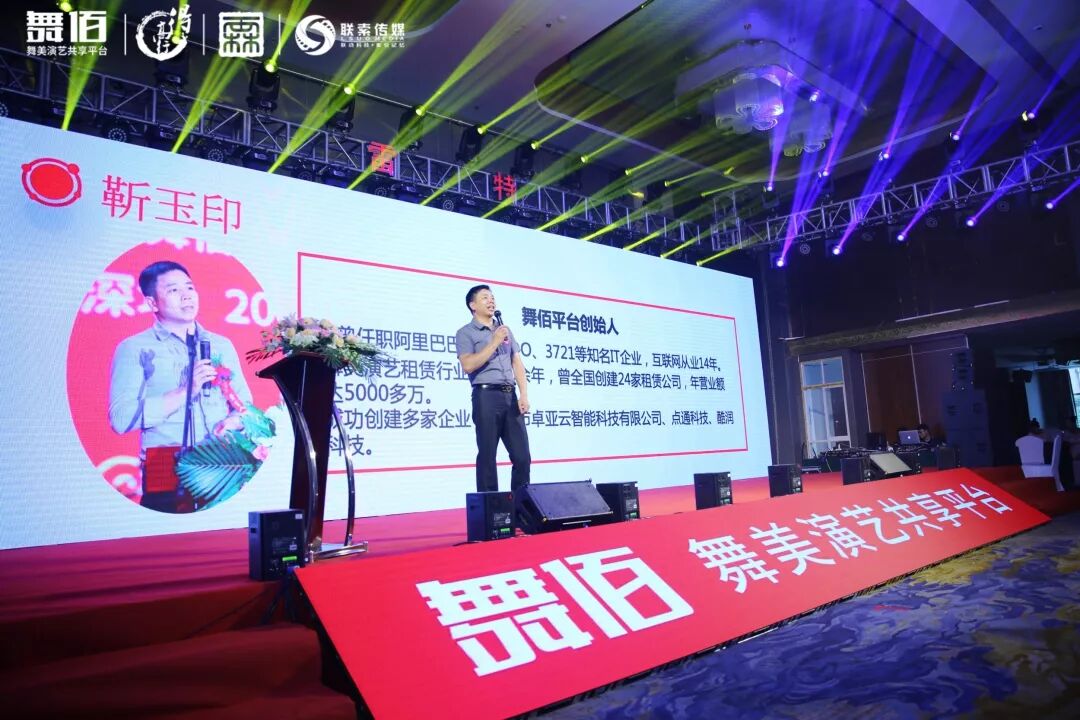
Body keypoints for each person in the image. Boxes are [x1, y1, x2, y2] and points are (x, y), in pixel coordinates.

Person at [108, 261, 252, 512]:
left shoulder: (221, 345)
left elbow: (245, 406)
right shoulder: (134, 348)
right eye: (174, 290)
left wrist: (231, 424)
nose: (186, 295)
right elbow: (120, 418)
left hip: (222, 460)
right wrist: (185, 391)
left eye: (189, 287)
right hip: (166, 465)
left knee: (222, 532)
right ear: (152, 303)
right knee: (171, 533)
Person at [455, 284, 531, 494]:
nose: (491, 301)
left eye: (492, 297)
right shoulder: (465, 333)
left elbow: (517, 362)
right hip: (486, 396)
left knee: (522, 457)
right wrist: (494, 342)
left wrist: (523, 394)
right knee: (487, 456)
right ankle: (491, 508)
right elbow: (468, 365)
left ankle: (520, 506)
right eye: (485, 298)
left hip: (510, 396)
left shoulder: (504, 330)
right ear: (472, 305)